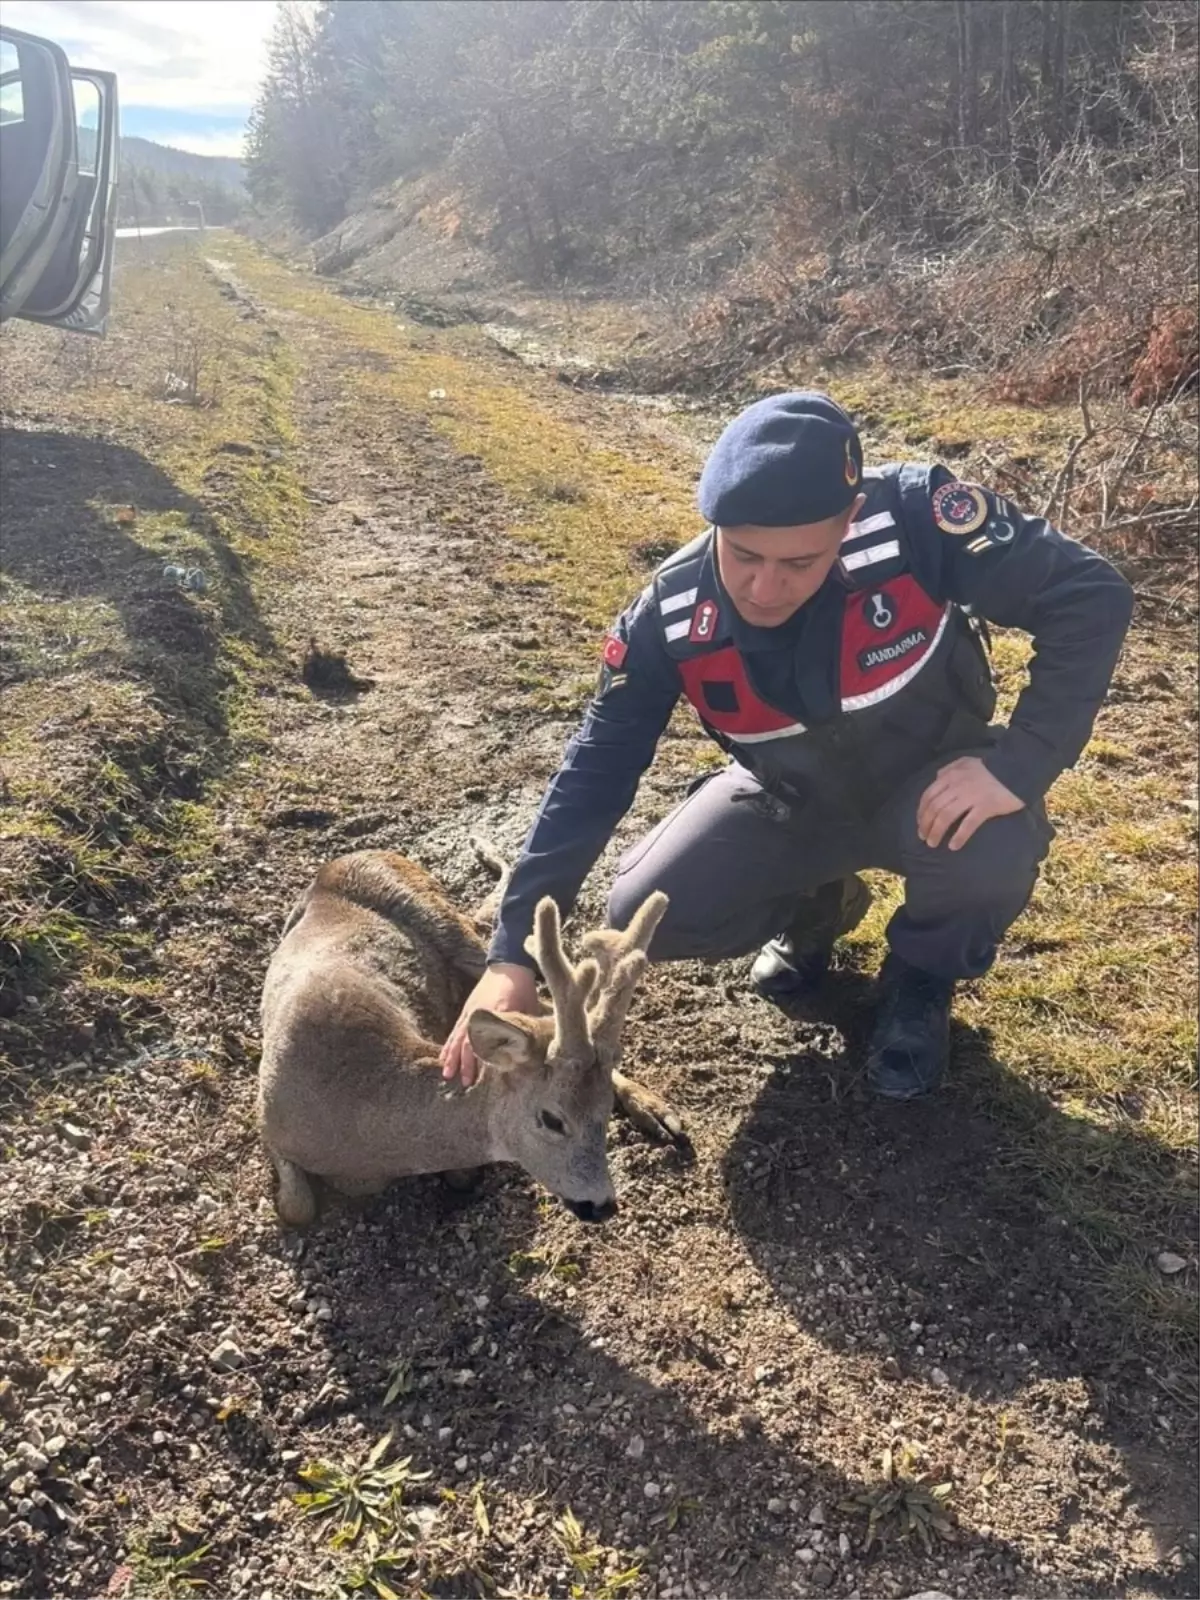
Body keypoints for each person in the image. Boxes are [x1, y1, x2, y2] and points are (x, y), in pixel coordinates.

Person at [440, 392, 1134, 1099]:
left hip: (931, 792)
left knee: (995, 842)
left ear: (850, 517)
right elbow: (593, 773)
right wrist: (513, 954)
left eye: (799, 562)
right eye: (742, 553)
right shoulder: (670, 617)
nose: (764, 587)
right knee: (644, 910)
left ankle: (921, 979)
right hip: (792, 802)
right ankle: (818, 908)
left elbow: (1089, 596)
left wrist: (1019, 763)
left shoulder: (919, 520)